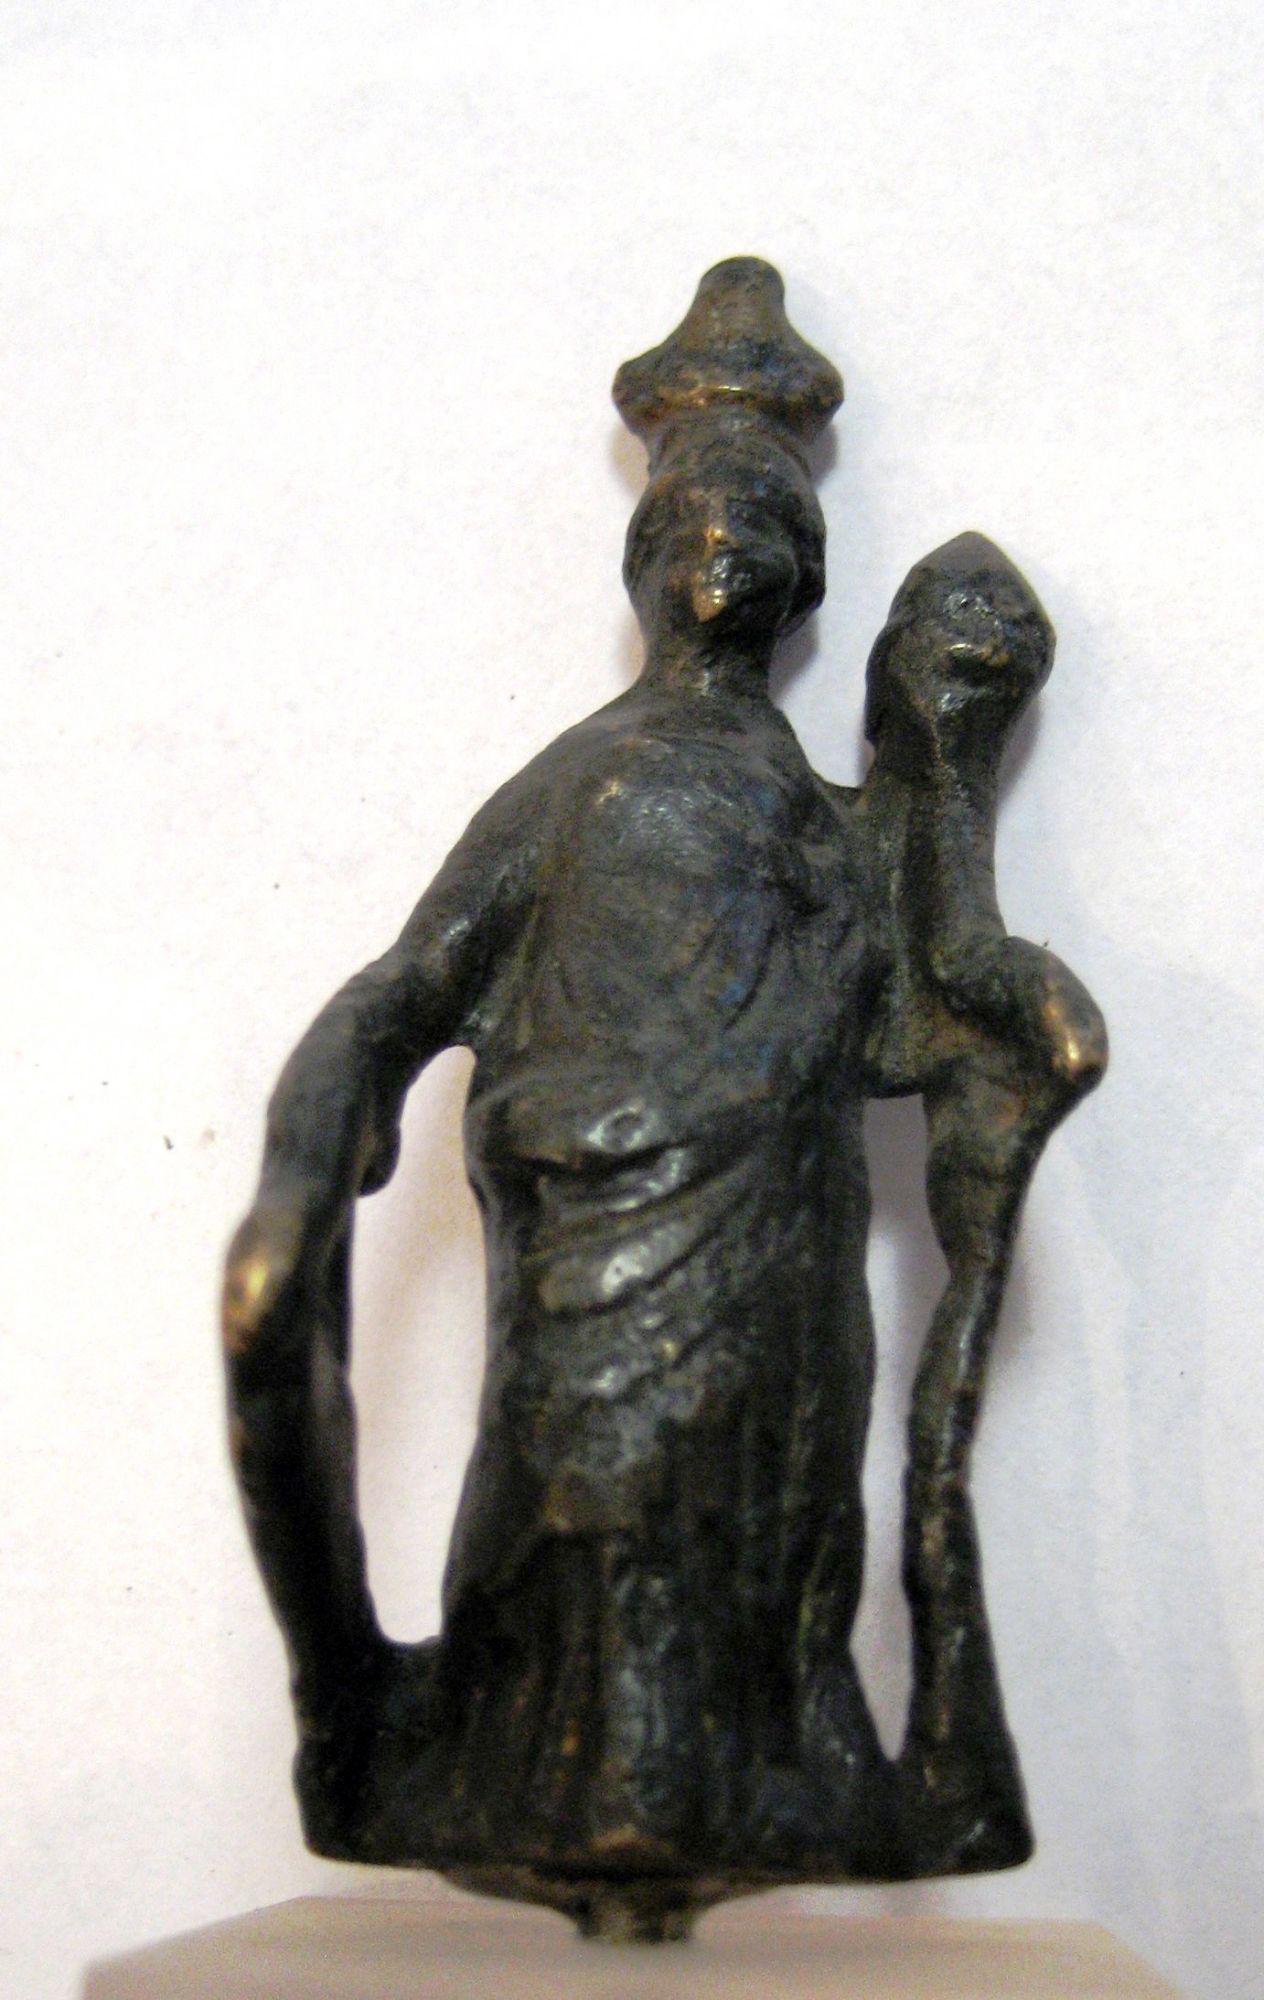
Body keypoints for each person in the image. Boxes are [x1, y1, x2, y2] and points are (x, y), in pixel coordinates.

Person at [222, 261, 1105, 1937]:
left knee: (757, 1515)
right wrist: (322, 1117)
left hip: (774, 1240)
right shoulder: (578, 779)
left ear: (805, 582)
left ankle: (753, 1778)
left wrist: (1025, 993)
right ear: (641, 564)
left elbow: (930, 973)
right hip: (592, 1229)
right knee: (583, 1494)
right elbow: (418, 972)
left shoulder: (833, 811)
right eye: (695, 523)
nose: (727, 552)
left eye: (765, 531)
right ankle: (535, 1772)